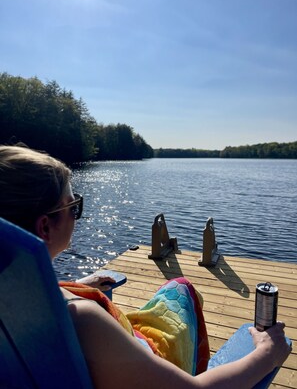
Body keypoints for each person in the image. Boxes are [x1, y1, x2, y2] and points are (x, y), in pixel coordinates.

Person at [0, 144, 291, 389]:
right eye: (73, 206)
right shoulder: (82, 320)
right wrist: (267, 353)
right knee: (183, 288)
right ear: (45, 227)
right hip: (146, 367)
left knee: (176, 287)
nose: (77, 215)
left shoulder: (16, 304)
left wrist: (75, 286)